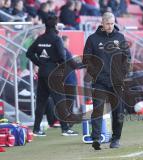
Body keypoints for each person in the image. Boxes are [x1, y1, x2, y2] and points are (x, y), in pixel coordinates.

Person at [83, 12, 131, 150]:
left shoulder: (120, 37)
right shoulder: (92, 39)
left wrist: (122, 74)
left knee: (118, 111)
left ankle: (115, 139)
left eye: (112, 23)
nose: (110, 26)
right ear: (102, 23)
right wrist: (95, 74)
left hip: (117, 82)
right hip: (99, 82)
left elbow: (127, 58)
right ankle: (96, 139)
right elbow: (86, 59)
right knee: (98, 110)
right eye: (108, 24)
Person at [26, 15, 81, 136]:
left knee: (40, 102)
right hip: (53, 74)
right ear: (55, 26)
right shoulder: (57, 39)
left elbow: (29, 53)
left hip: (42, 74)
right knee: (60, 101)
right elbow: (62, 57)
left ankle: (36, 129)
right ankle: (65, 129)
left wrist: (40, 63)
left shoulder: (40, 38)